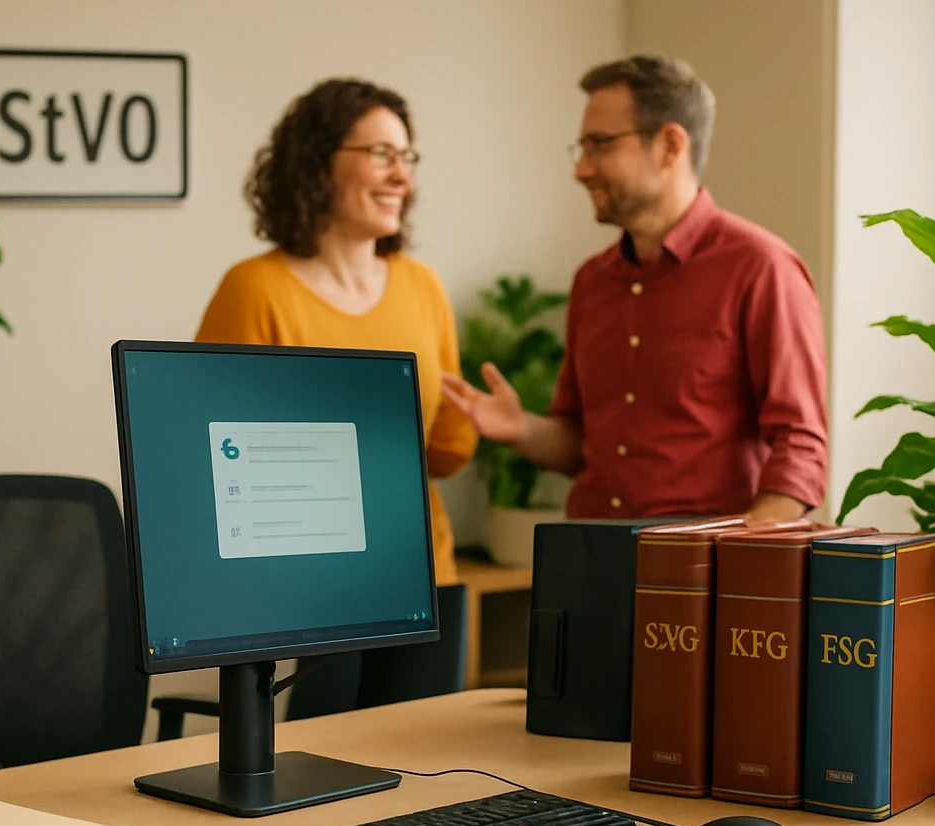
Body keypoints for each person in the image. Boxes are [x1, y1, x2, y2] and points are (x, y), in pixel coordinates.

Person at [442, 55, 827, 523]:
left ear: (669, 146)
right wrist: (520, 427)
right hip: (592, 564)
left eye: (599, 145)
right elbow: (579, 443)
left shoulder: (761, 268)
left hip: (703, 572)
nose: (581, 169)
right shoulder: (592, 281)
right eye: (581, 149)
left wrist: (746, 551)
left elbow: (801, 447)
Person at [195, 77, 478, 584]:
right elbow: (210, 459)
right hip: (303, 587)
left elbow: (446, 453)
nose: (402, 178)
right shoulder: (254, 290)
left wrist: (475, 419)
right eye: (382, 154)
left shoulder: (423, 286)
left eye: (407, 158)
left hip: (424, 574)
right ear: (317, 162)